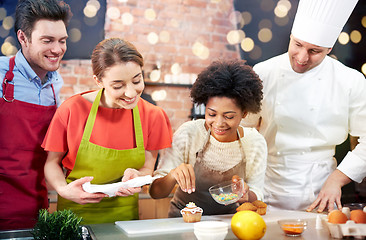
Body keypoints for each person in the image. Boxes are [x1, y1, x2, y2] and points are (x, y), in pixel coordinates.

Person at [42, 37, 173, 224]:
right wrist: (64, 190)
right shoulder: (72, 110)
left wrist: (138, 176)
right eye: (118, 86)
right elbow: (51, 163)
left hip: (125, 219)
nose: (130, 93)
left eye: (137, 80)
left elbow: (147, 168)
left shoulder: (153, 116)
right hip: (74, 214)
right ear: (98, 81)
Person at [251, 0, 365, 212]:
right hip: (266, 186)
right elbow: (245, 131)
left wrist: (337, 180)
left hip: (322, 189)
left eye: (315, 51)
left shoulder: (351, 81)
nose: (302, 58)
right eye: (298, 45)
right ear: (291, 37)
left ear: (329, 48)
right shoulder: (263, 73)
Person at [149, 59, 267, 216]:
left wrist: (247, 195)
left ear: (244, 113)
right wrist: (172, 175)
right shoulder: (189, 134)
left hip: (229, 221)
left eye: (229, 116)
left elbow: (257, 192)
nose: (218, 123)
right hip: (183, 221)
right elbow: (156, 193)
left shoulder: (254, 143)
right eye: (211, 114)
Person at [0, 0, 71, 230]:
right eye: (47, 40)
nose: (57, 49)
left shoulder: (55, 84)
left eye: (62, 41)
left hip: (36, 207)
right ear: (23, 38)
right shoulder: (1, 74)